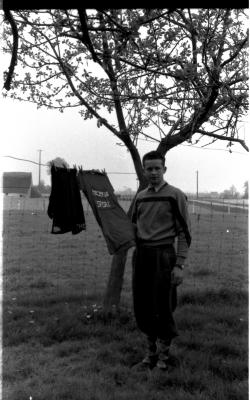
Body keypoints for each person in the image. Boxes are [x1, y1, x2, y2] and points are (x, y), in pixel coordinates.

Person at [132, 150, 191, 370]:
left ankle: (165, 359)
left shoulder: (175, 195)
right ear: (144, 171)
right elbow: (132, 227)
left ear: (164, 169)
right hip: (142, 256)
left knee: (163, 307)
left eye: (158, 168)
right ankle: (150, 356)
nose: (154, 172)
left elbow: (185, 233)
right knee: (144, 305)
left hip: (164, 257)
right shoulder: (140, 197)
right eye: (149, 169)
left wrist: (179, 265)